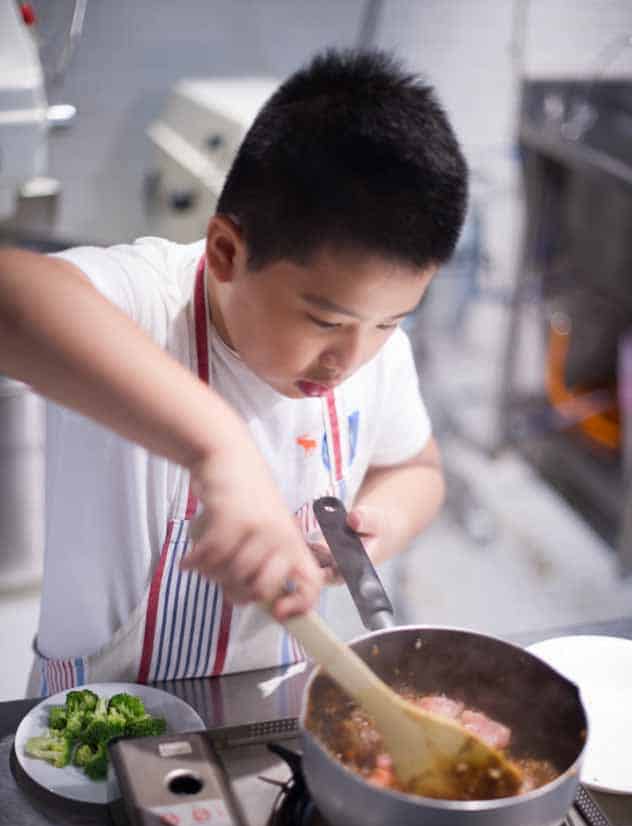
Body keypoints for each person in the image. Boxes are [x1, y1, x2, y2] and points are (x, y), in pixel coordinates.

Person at [0, 48, 467, 696]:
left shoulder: (377, 356)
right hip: (92, 721)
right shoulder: (147, 303)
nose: (350, 358)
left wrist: (379, 522)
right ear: (225, 251)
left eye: (390, 322)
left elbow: (416, 468)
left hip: (265, 710)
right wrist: (221, 450)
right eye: (325, 320)